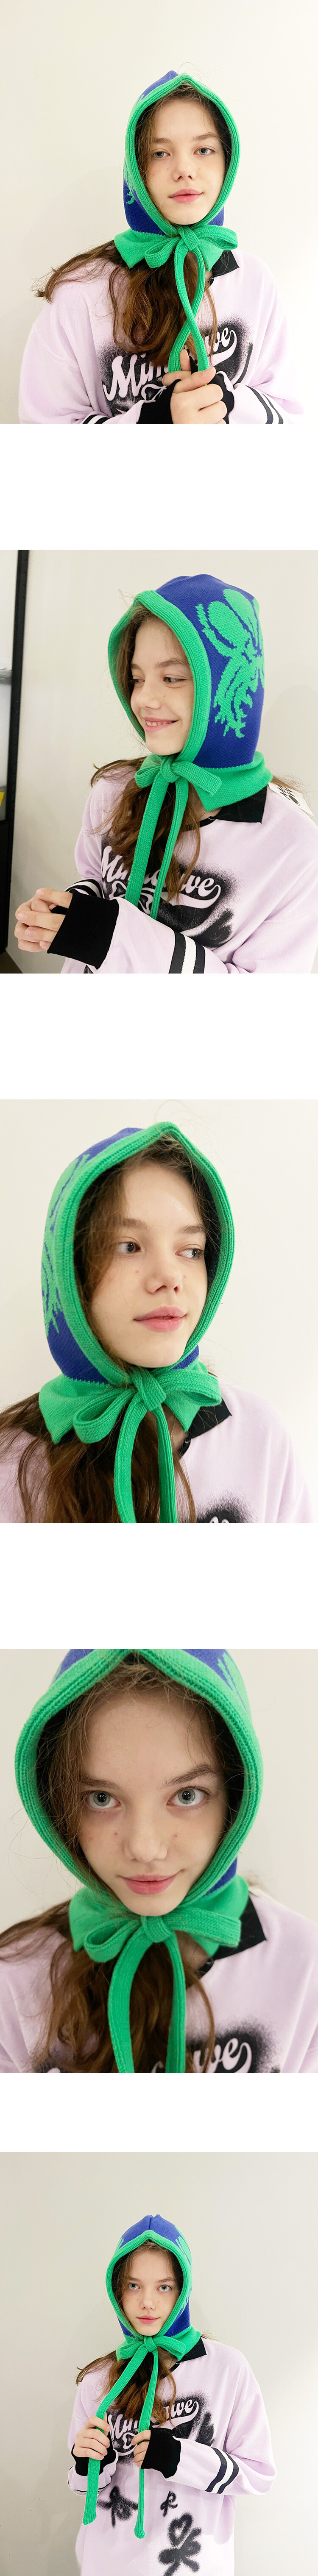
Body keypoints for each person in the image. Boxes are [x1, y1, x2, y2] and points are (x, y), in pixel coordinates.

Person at [1, 1645, 318, 2071]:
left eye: (187, 1795)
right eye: (101, 1798)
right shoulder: (14, 1980)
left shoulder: (305, 1968)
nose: (145, 1848)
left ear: (235, 1796)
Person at [0, 1122, 312, 1524]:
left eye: (191, 1250)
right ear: (70, 1269)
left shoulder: (258, 1435)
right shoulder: (13, 1461)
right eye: (129, 1246)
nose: (170, 1277)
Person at [14, 576, 318, 976]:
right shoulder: (115, 789)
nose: (143, 699)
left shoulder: (293, 846)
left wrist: (106, 936)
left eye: (172, 678)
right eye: (137, 678)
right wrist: (68, 913)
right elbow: (96, 878)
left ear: (225, 683)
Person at [19, 71, 302, 426]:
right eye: (160, 153)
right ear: (137, 170)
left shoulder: (255, 281)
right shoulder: (81, 292)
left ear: (227, 163)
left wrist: (228, 402)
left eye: (204, 150)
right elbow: (40, 429)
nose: (184, 170)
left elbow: (292, 418)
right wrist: (155, 421)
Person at [67, 2212, 276, 2568]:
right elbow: (81, 2487)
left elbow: (259, 2475)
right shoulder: (98, 2380)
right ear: (117, 2290)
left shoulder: (227, 2369)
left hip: (192, 2565)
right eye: (134, 2286)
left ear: (183, 2290)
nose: (148, 2302)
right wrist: (88, 2463)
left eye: (164, 2287)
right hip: (108, 2565)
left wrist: (181, 2457)